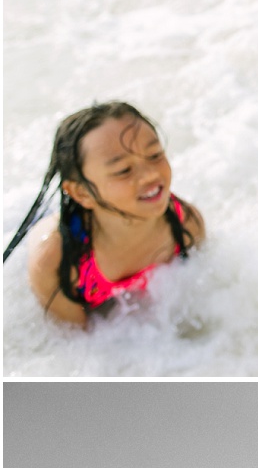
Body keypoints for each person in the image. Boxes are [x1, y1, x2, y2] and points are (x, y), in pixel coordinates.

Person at [4, 103, 204, 327]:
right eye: (123, 170)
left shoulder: (185, 223)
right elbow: (78, 344)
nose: (150, 175)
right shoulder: (58, 263)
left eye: (155, 154)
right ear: (81, 193)